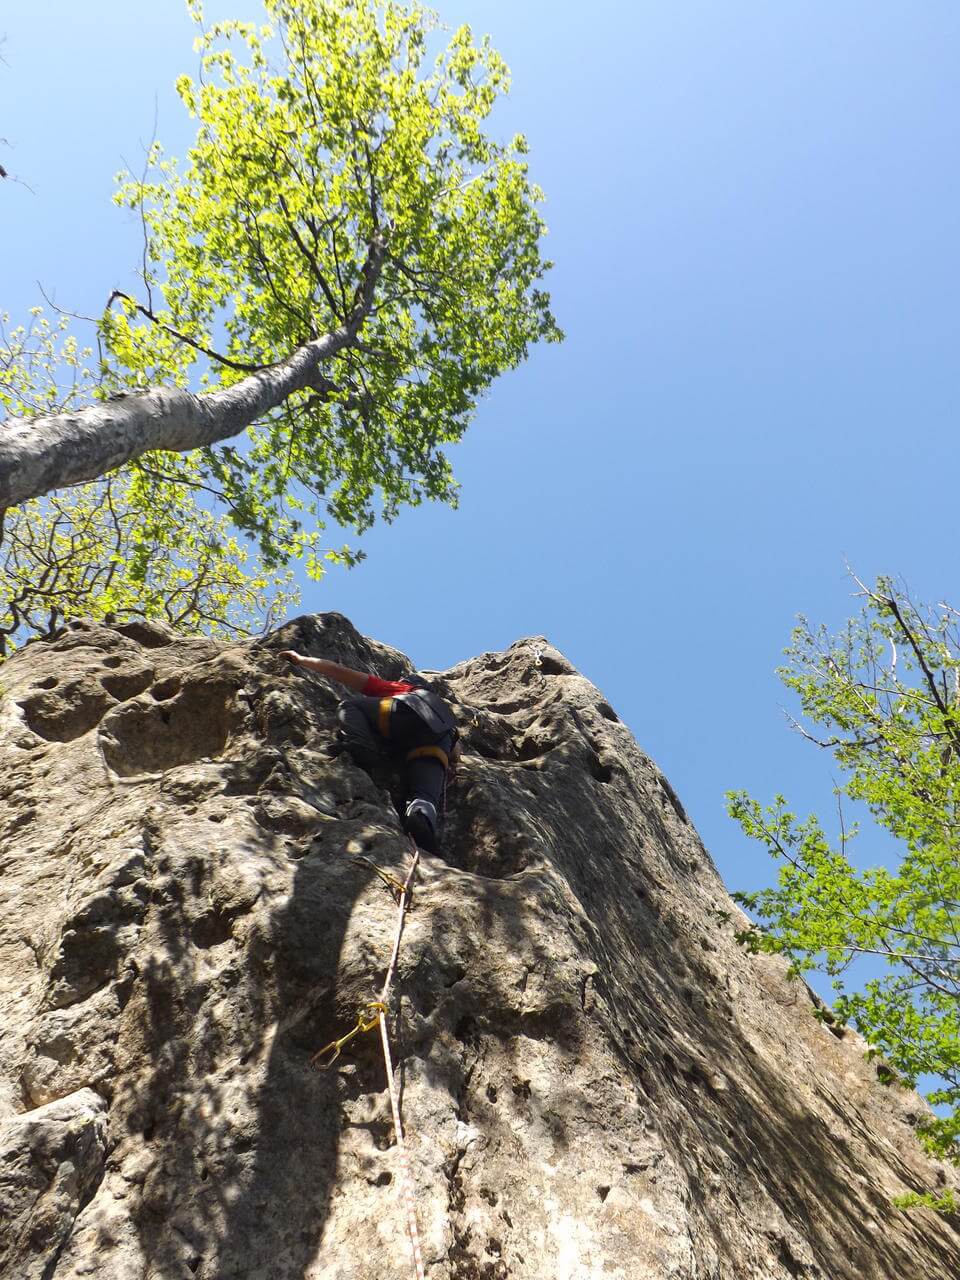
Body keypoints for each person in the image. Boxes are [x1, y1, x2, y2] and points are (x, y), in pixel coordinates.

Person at [278, 651, 458, 852]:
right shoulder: (447, 719)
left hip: (406, 712)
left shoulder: (405, 689)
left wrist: (301, 659)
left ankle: (362, 747)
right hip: (437, 741)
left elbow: (339, 672)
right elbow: (455, 754)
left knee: (350, 705)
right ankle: (421, 821)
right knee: (425, 794)